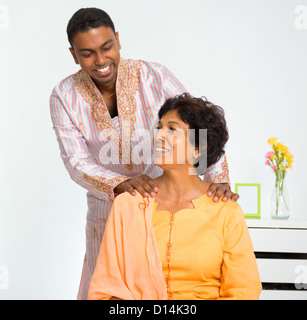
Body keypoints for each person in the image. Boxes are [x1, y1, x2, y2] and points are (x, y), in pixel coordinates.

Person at [49, 8, 238, 300]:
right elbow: (76, 162)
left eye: (107, 47)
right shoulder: (64, 95)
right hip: (108, 209)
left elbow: (197, 123)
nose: (100, 61)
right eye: (87, 53)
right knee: (107, 288)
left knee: (167, 283)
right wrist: (118, 185)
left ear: (118, 40)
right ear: (73, 54)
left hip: (165, 200)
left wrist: (217, 178)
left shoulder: (154, 76)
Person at [88, 94, 262, 300]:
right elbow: (106, 288)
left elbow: (243, 291)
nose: (159, 136)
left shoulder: (226, 211)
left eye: (172, 129)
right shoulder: (129, 204)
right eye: (159, 128)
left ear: (199, 148)